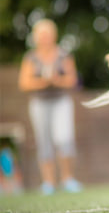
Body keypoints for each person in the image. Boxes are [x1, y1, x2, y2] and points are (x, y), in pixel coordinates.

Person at [18, 19, 82, 195]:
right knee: (43, 142)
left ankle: (68, 179)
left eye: (48, 34)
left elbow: (72, 80)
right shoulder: (30, 57)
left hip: (61, 102)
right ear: (36, 37)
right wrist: (44, 82)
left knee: (65, 139)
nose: (45, 38)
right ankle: (48, 183)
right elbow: (24, 83)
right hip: (39, 103)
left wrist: (57, 81)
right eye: (42, 35)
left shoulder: (63, 55)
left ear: (54, 36)